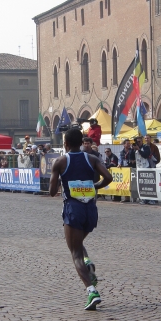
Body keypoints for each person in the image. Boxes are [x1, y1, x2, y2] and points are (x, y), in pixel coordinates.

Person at [49, 128, 113, 311]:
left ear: (65, 144)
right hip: (91, 210)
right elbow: (108, 177)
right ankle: (87, 261)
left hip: (73, 208)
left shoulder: (60, 162)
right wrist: (95, 186)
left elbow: (52, 192)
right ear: (82, 142)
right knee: (78, 243)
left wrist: (61, 181)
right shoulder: (91, 158)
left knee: (74, 251)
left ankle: (92, 291)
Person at [132, 136, 154, 205]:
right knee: (141, 185)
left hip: (146, 167)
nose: (138, 143)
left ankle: (151, 199)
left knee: (148, 184)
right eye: (137, 142)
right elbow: (131, 157)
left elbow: (145, 155)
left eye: (139, 141)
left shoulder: (146, 147)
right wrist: (133, 150)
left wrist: (139, 150)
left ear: (142, 141)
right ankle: (144, 199)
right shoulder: (135, 148)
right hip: (139, 168)